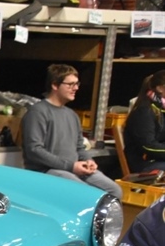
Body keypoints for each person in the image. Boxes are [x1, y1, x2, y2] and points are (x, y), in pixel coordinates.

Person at [21, 64, 123, 199]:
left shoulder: (72, 115)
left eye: (76, 84)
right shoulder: (38, 112)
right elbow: (34, 150)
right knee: (86, 193)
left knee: (114, 190)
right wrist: (71, 166)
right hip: (47, 170)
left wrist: (88, 160)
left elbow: (79, 147)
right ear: (55, 85)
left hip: (73, 169)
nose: (76, 88)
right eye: (70, 84)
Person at [123, 69, 165, 173]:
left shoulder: (161, 109)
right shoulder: (144, 111)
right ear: (160, 88)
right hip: (144, 164)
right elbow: (148, 146)